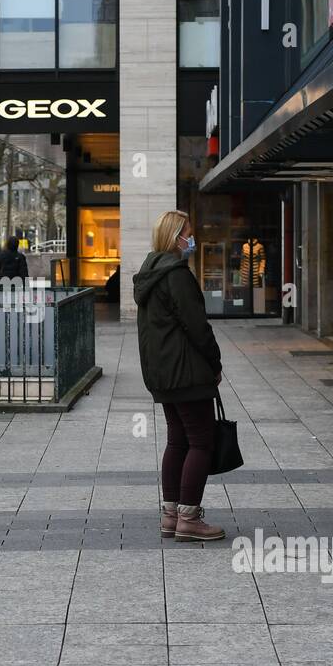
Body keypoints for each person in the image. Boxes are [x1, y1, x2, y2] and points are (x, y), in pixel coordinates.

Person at [133, 210, 225, 542]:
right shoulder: (177, 275)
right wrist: (214, 363)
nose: (193, 239)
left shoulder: (150, 273)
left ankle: (171, 516)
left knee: (177, 440)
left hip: (162, 374)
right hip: (187, 373)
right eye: (189, 233)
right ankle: (190, 518)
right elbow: (197, 327)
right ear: (176, 238)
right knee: (201, 442)